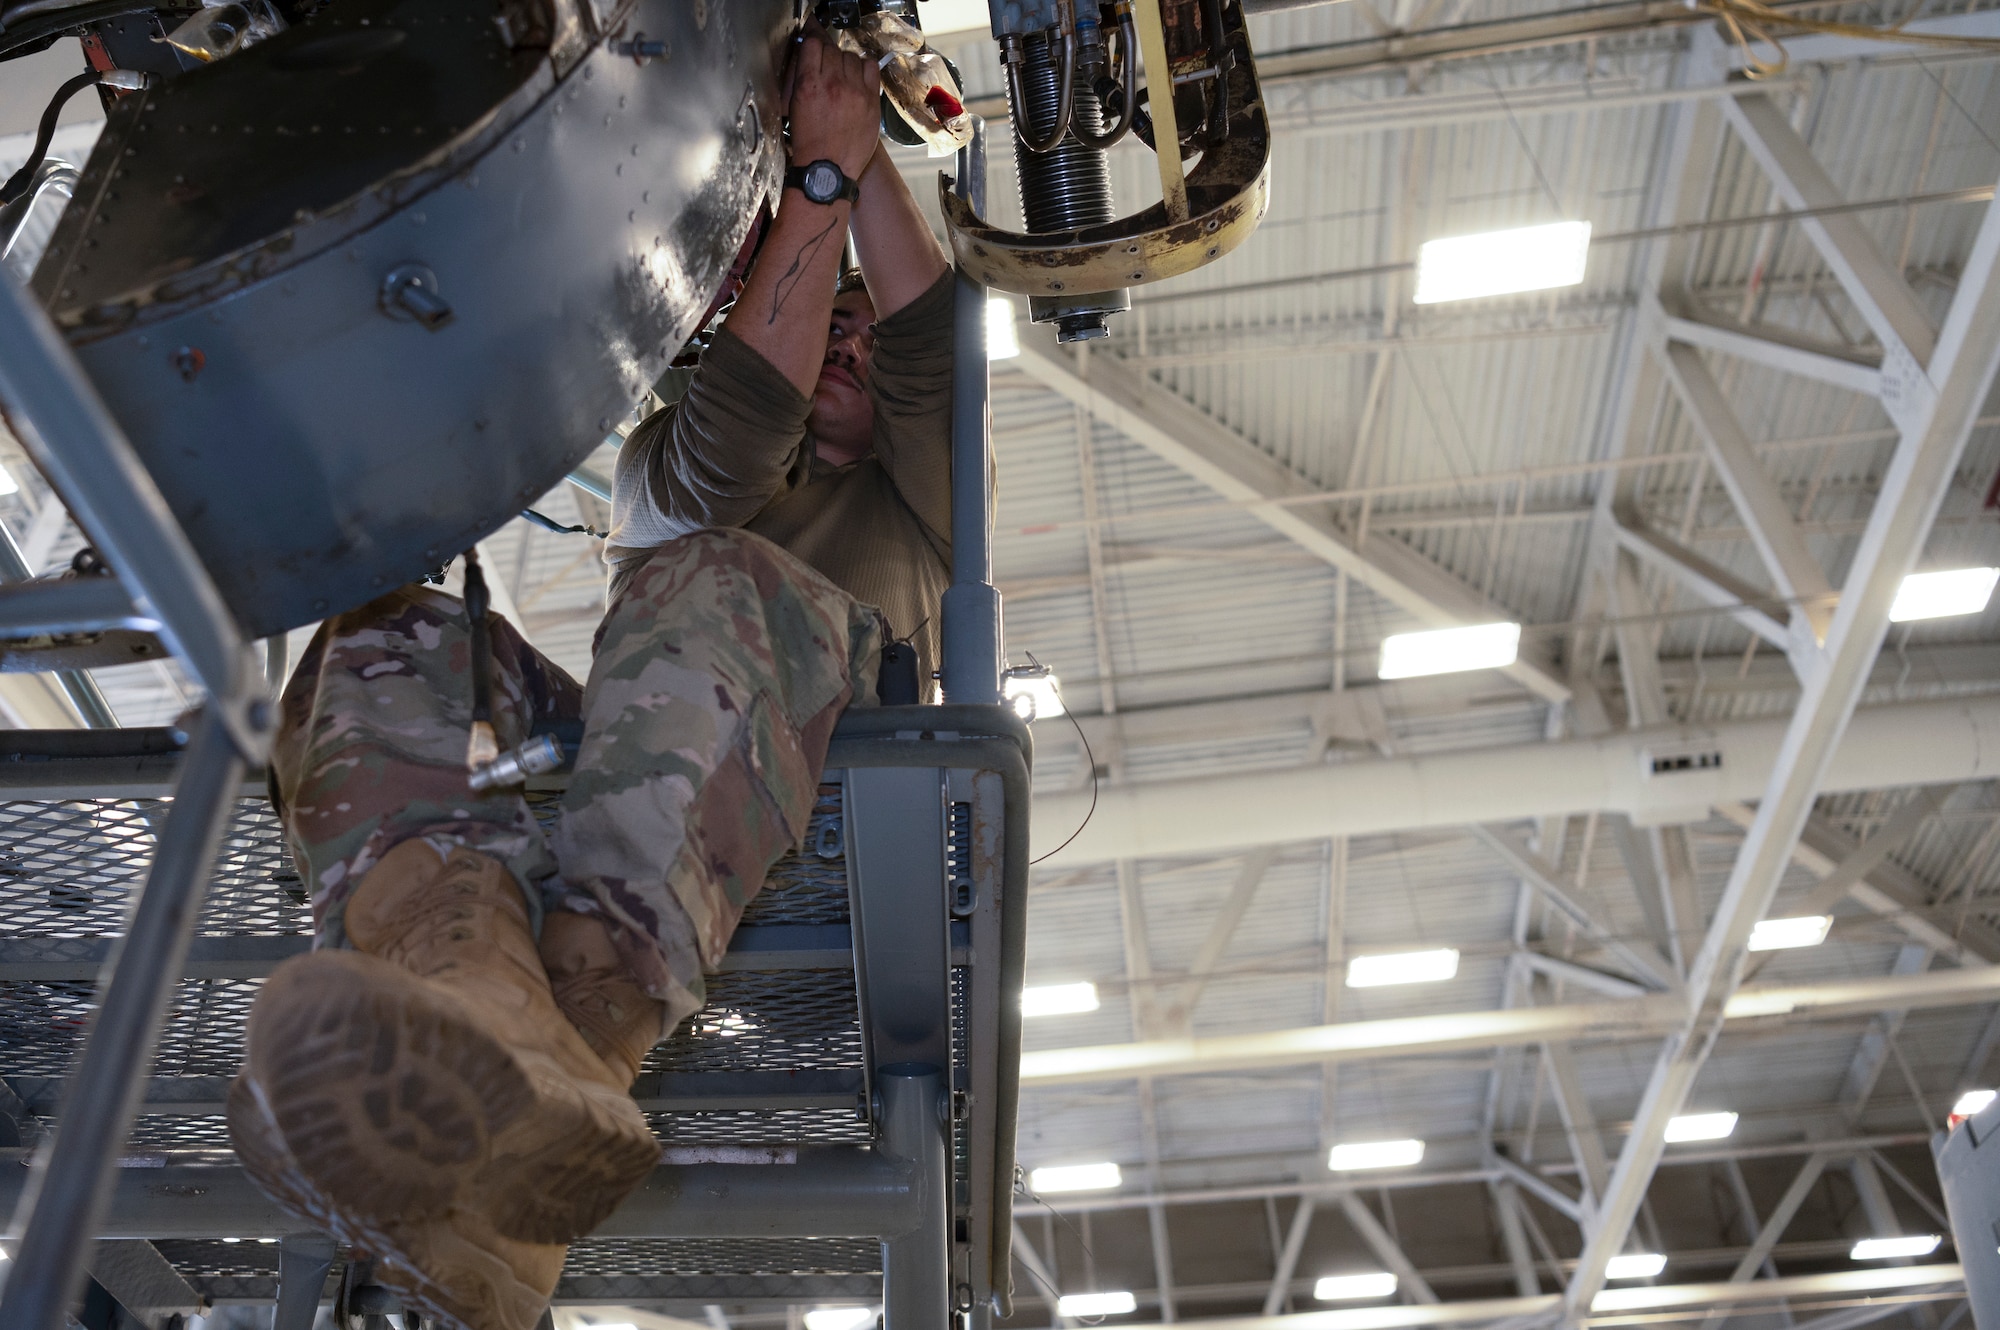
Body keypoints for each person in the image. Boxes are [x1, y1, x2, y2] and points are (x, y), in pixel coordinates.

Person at [226, 31, 955, 1330]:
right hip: (652, 789)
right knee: (389, 637)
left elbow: (938, 339)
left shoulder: (926, 512)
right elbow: (742, 422)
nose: (850, 342)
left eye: (862, 334)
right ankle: (489, 1044)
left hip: (828, 789)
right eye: (822, 319)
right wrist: (819, 184)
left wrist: (851, 155)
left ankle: (562, 1032)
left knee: (718, 580)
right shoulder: (665, 464)